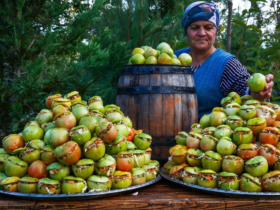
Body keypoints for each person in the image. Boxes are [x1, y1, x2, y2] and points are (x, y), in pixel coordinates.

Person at [174, 1, 274, 118]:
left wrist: (258, 92)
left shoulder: (226, 63)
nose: (201, 33)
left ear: (216, 31)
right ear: (186, 31)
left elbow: (246, 91)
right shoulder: (175, 58)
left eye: (208, 27)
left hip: (207, 134)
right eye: (194, 27)